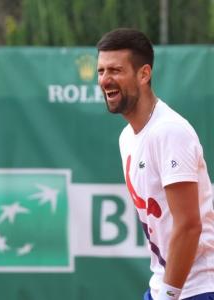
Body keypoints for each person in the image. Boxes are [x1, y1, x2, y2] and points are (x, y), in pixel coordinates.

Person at [97, 28, 214, 300]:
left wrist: (169, 295)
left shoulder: (170, 131)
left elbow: (188, 225)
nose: (105, 79)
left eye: (115, 70)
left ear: (144, 74)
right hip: (164, 285)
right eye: (101, 71)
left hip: (199, 287)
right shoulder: (127, 137)